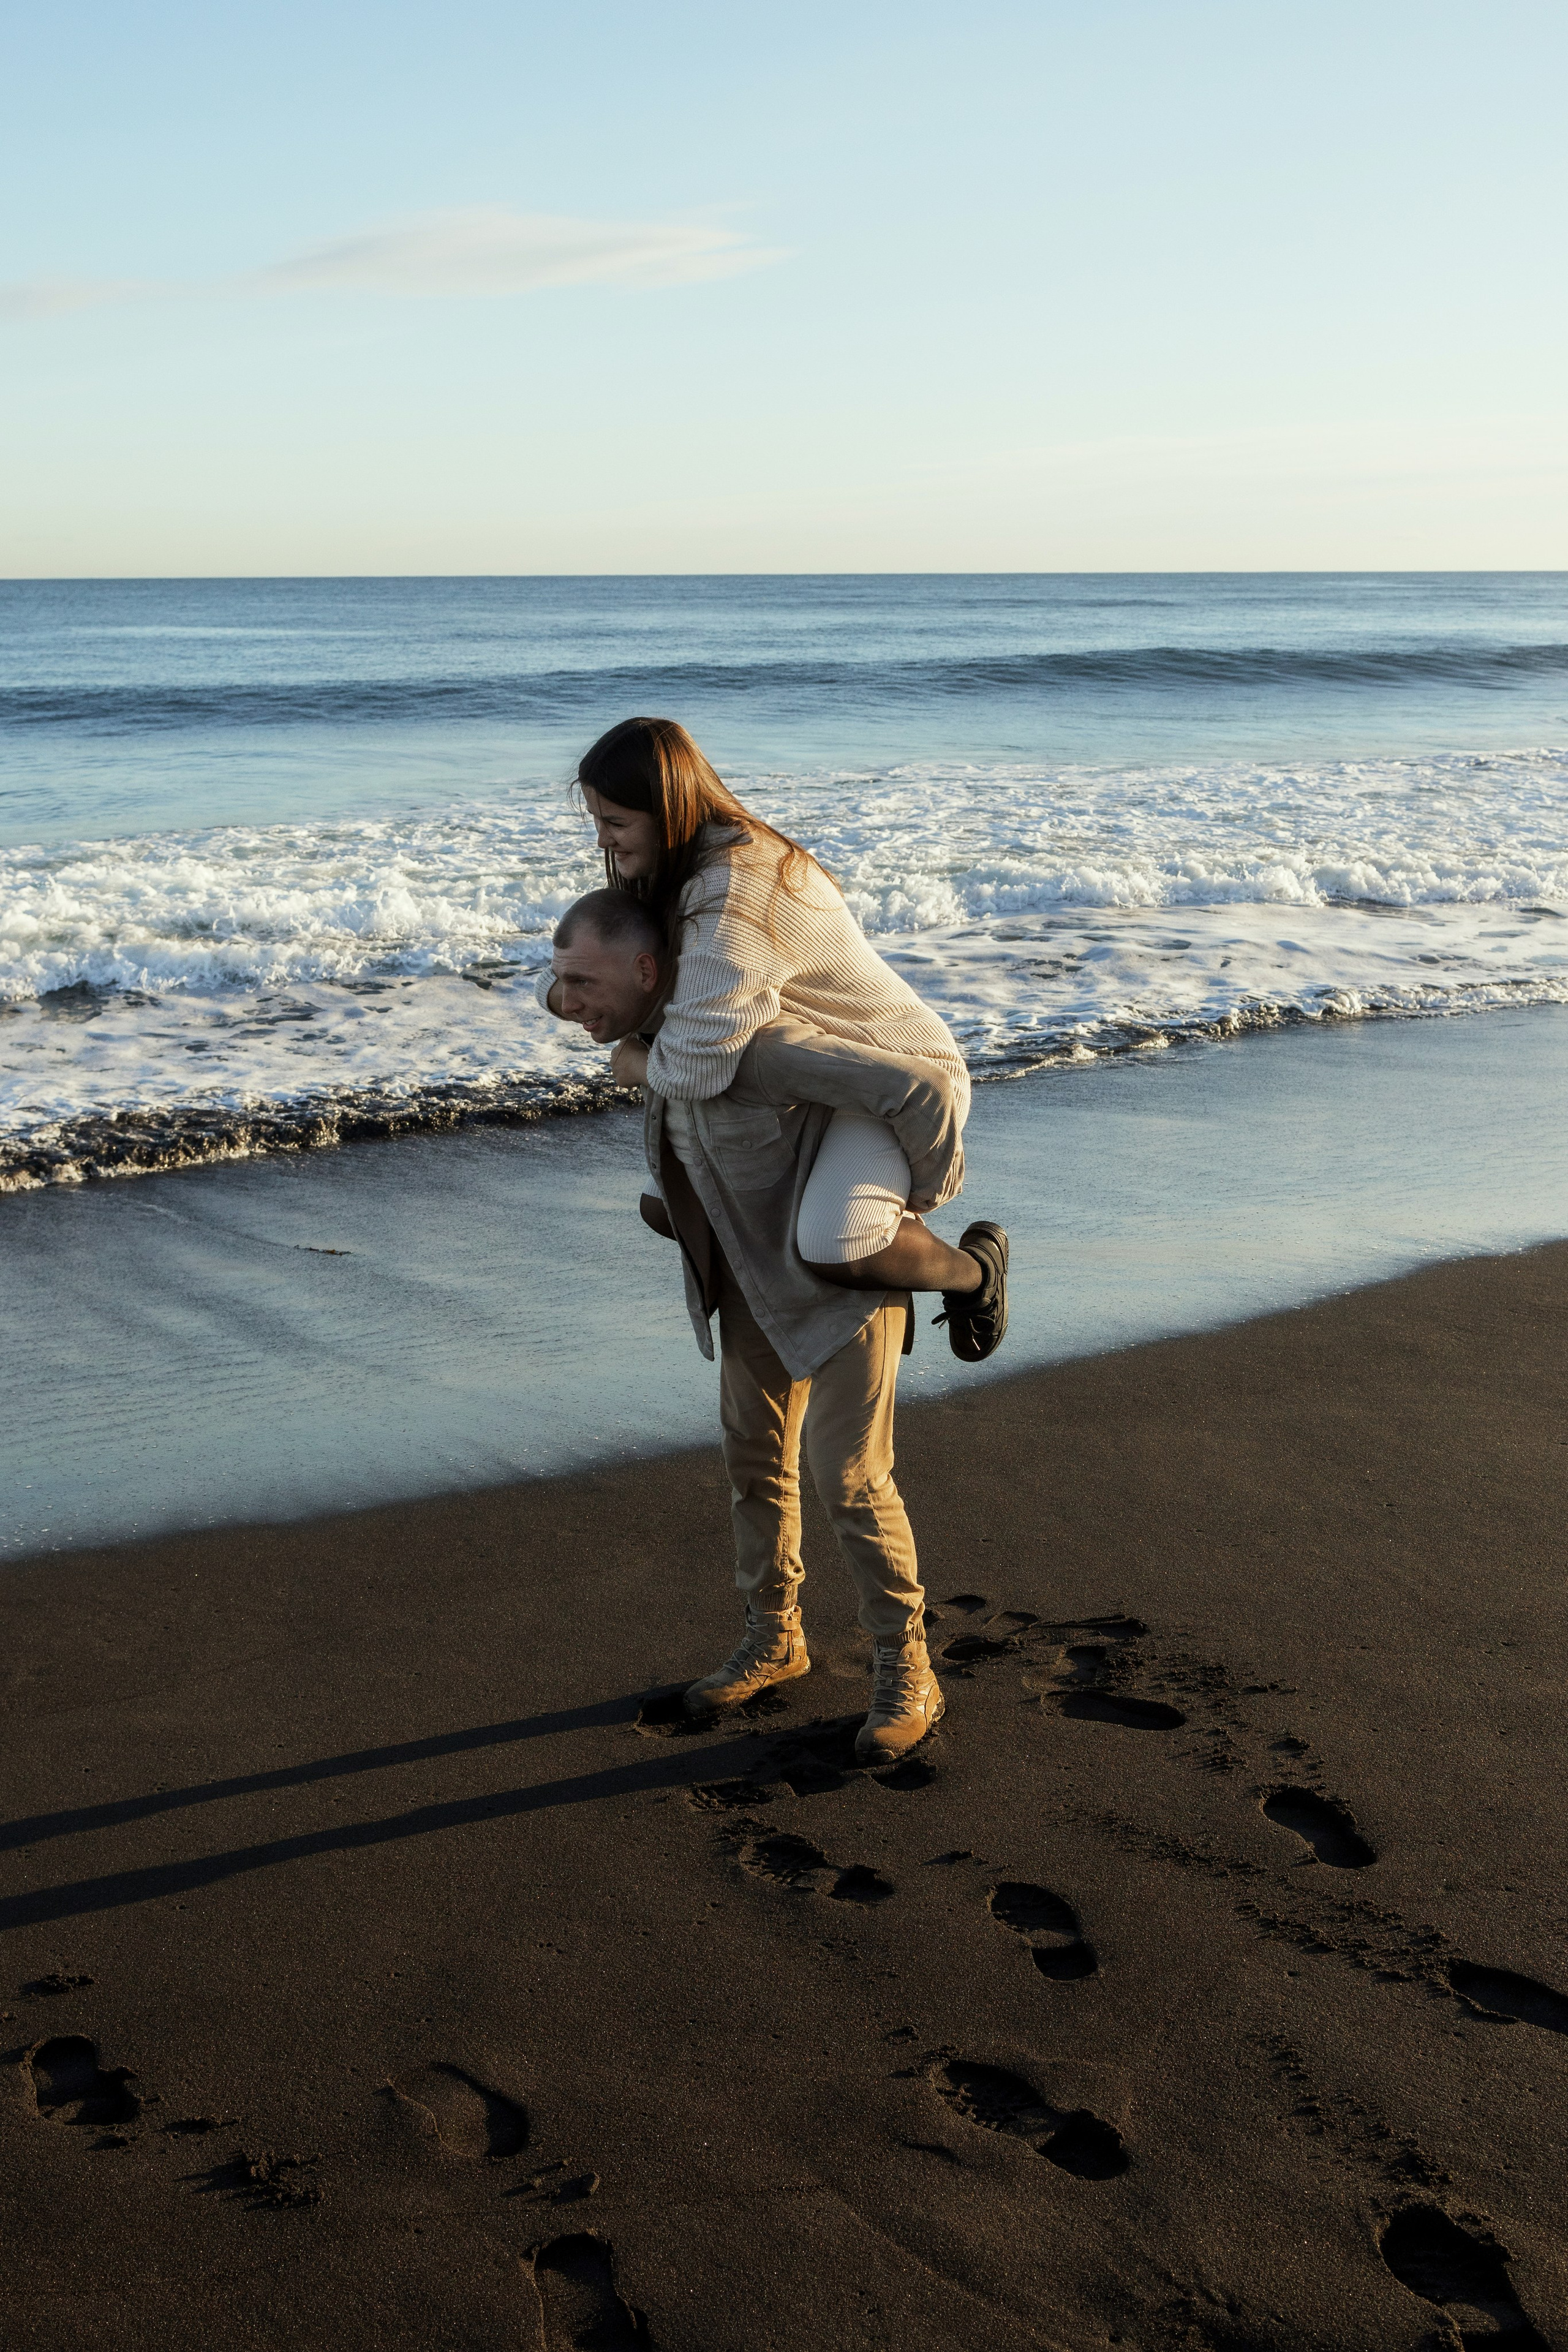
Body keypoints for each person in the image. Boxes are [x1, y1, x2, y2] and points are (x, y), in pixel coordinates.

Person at [539, 718, 1009, 1761]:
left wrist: (919, 1196)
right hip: (754, 1220)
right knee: (753, 1454)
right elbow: (633, 1011)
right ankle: (774, 1638)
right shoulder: (675, 896)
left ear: (662, 808)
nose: (608, 844)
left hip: (860, 1136)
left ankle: (906, 1670)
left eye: (618, 823)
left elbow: (907, 1083)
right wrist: (601, 1019)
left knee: (848, 1475)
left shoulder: (743, 911)